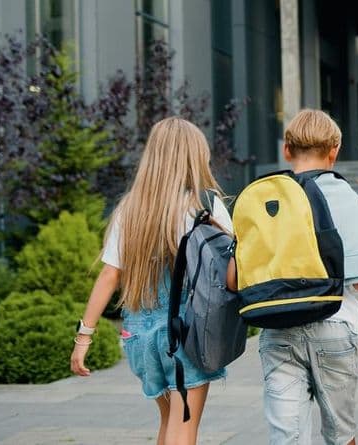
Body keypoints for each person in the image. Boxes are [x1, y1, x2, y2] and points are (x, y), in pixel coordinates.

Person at [70, 116, 233, 445]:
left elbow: (110, 274)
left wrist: (83, 338)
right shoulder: (204, 205)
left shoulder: (130, 209)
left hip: (139, 335)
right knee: (184, 428)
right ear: (194, 156)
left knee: (168, 421)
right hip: (187, 333)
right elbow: (230, 268)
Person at [255, 109, 358, 445]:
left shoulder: (265, 198)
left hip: (276, 326)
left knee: (287, 436)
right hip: (332, 324)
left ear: (286, 150)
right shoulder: (344, 196)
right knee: (341, 434)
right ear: (334, 151)